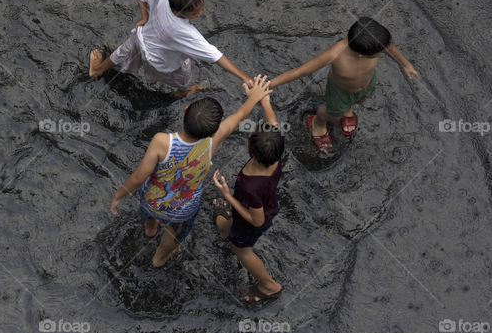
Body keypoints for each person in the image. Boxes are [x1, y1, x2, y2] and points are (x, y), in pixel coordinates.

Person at [109, 76, 272, 267]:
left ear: (185, 110)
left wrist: (118, 196)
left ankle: (150, 230)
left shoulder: (162, 142)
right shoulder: (213, 140)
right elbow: (239, 116)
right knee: (175, 233)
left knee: (150, 218)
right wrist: (253, 98)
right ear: (213, 131)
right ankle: (159, 258)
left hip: (153, 200)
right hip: (183, 210)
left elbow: (138, 177)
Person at [267, 16, 418, 153]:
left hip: (366, 85)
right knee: (332, 114)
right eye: (380, 52)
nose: (384, 51)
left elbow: (390, 48)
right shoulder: (337, 54)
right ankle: (317, 123)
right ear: (362, 55)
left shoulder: (376, 43)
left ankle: (347, 109)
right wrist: (268, 85)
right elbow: (300, 72)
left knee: (360, 100)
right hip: (340, 91)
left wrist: (405, 64)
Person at [89, 0, 250, 97]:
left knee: (119, 54)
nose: (200, 13)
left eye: (201, 7)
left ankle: (97, 69)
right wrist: (243, 77)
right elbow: (216, 56)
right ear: (177, 11)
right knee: (183, 78)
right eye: (195, 12)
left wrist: (144, 17)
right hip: (162, 65)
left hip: (141, 41)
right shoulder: (185, 32)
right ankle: (182, 92)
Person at [211, 90, 285, 304]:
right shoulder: (275, 155)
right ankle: (225, 228)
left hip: (252, 221)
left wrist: (228, 196)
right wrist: (265, 100)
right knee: (230, 226)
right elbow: (272, 123)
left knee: (240, 250)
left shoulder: (250, 185)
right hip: (267, 204)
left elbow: (257, 220)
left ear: (250, 149)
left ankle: (269, 286)